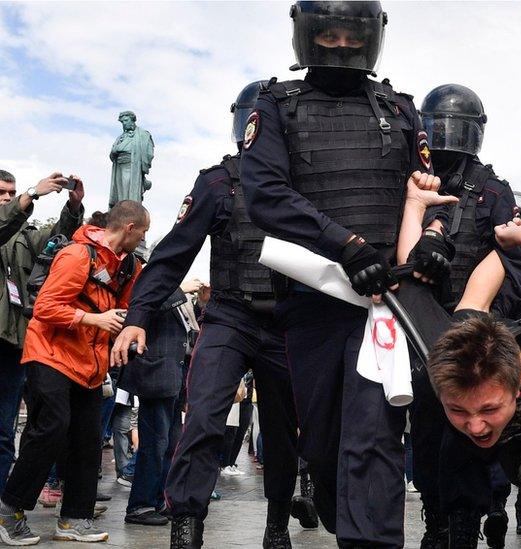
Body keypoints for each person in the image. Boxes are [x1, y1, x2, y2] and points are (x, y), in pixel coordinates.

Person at [239, 3, 442, 546]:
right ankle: (338, 510)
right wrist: (346, 246)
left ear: (372, 36)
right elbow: (266, 197)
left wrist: (432, 240)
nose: (340, 45)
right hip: (314, 300)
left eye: (352, 34)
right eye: (327, 33)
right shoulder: (276, 104)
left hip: (383, 303)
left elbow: (427, 190)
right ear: (307, 35)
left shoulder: (400, 108)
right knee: (326, 447)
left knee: (373, 439)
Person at [111, 81, 300, 549]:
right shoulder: (219, 182)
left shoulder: (305, 184)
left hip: (288, 324)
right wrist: (137, 314)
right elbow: (173, 256)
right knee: (202, 419)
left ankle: (277, 525)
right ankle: (186, 526)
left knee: (282, 433)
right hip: (231, 318)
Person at [409, 83, 521, 548]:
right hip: (421, 322)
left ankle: (465, 520)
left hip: (476, 326)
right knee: (426, 426)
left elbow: (511, 256)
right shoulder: (416, 182)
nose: (445, 138)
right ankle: (436, 516)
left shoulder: (493, 190)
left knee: (472, 423)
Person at [0, 201, 147, 546]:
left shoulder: (128, 266)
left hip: (90, 362)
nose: (143, 238)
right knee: (51, 426)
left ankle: (74, 519)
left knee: (87, 439)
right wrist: (93, 319)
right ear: (129, 228)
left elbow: (127, 308)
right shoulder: (78, 255)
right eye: (143, 231)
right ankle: (10, 510)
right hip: (50, 353)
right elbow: (46, 306)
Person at [0, 170, 85, 497]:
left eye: (12, 192)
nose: (7, 198)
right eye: (2, 193)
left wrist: (73, 207)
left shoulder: (23, 237)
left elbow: (60, 239)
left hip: (14, 345)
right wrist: (33, 193)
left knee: (5, 434)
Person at [117, 280, 200, 528]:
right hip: (155, 374)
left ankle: (158, 500)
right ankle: (140, 504)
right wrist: (177, 288)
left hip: (174, 375)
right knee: (154, 443)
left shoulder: (179, 299)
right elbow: (144, 308)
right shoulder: (155, 286)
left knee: (170, 444)